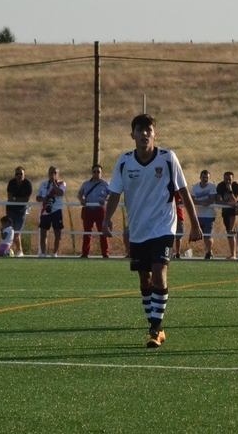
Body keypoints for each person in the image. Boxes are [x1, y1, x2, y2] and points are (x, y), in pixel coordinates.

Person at [103, 114, 202, 348]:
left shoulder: (168, 158)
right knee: (145, 279)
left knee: (159, 272)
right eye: (140, 130)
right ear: (133, 135)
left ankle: (155, 328)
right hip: (138, 229)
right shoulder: (125, 161)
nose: (144, 134)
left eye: (148, 130)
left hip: (163, 226)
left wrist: (195, 224)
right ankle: (155, 324)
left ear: (155, 134)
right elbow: (115, 192)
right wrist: (107, 219)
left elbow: (183, 191)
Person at [77, 164, 110, 258]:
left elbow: (112, 196)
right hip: (88, 210)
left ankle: (105, 253)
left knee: (103, 232)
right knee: (87, 232)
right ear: (92, 173)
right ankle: (85, 253)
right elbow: (79, 195)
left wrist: (105, 200)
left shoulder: (106, 184)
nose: (96, 173)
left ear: (101, 173)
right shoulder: (86, 184)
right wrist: (82, 200)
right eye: (94, 172)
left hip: (100, 210)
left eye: (98, 172)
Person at [36, 166, 66, 257]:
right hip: (45, 211)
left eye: (55, 173)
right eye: (51, 172)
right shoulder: (43, 184)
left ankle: (54, 253)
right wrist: (44, 199)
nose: (53, 174)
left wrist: (53, 183)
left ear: (58, 174)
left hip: (56, 211)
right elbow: (38, 198)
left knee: (57, 233)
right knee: (43, 233)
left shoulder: (61, 183)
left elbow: (60, 193)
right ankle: (43, 253)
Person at [6, 166, 33, 257]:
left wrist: (15, 199)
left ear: (24, 175)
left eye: (21, 174)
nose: (19, 175)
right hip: (11, 210)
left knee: (16, 232)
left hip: (21, 211)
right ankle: (11, 250)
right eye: (17, 174)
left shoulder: (27, 184)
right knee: (10, 231)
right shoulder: (11, 183)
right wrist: (19, 200)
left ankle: (19, 251)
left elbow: (26, 200)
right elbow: (9, 197)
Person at [190, 170, 217, 259]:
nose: (205, 179)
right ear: (200, 177)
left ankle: (209, 252)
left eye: (207, 178)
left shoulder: (212, 186)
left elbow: (211, 200)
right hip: (198, 215)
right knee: (195, 236)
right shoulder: (195, 187)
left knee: (207, 236)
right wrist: (201, 202)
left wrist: (200, 202)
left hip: (210, 216)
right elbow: (191, 200)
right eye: (203, 177)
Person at [216, 171, 238, 259]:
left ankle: (233, 254)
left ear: (233, 179)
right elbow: (217, 200)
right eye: (226, 179)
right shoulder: (220, 186)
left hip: (234, 210)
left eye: (229, 179)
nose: (227, 181)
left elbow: (234, 201)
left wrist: (230, 190)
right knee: (228, 231)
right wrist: (226, 204)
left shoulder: (236, 186)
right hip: (226, 209)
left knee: (231, 231)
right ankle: (232, 253)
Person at [172, 191, 185, 258]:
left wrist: (177, 202)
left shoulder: (179, 191)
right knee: (170, 236)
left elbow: (185, 199)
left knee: (178, 236)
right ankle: (170, 253)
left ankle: (178, 253)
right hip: (169, 217)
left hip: (179, 216)